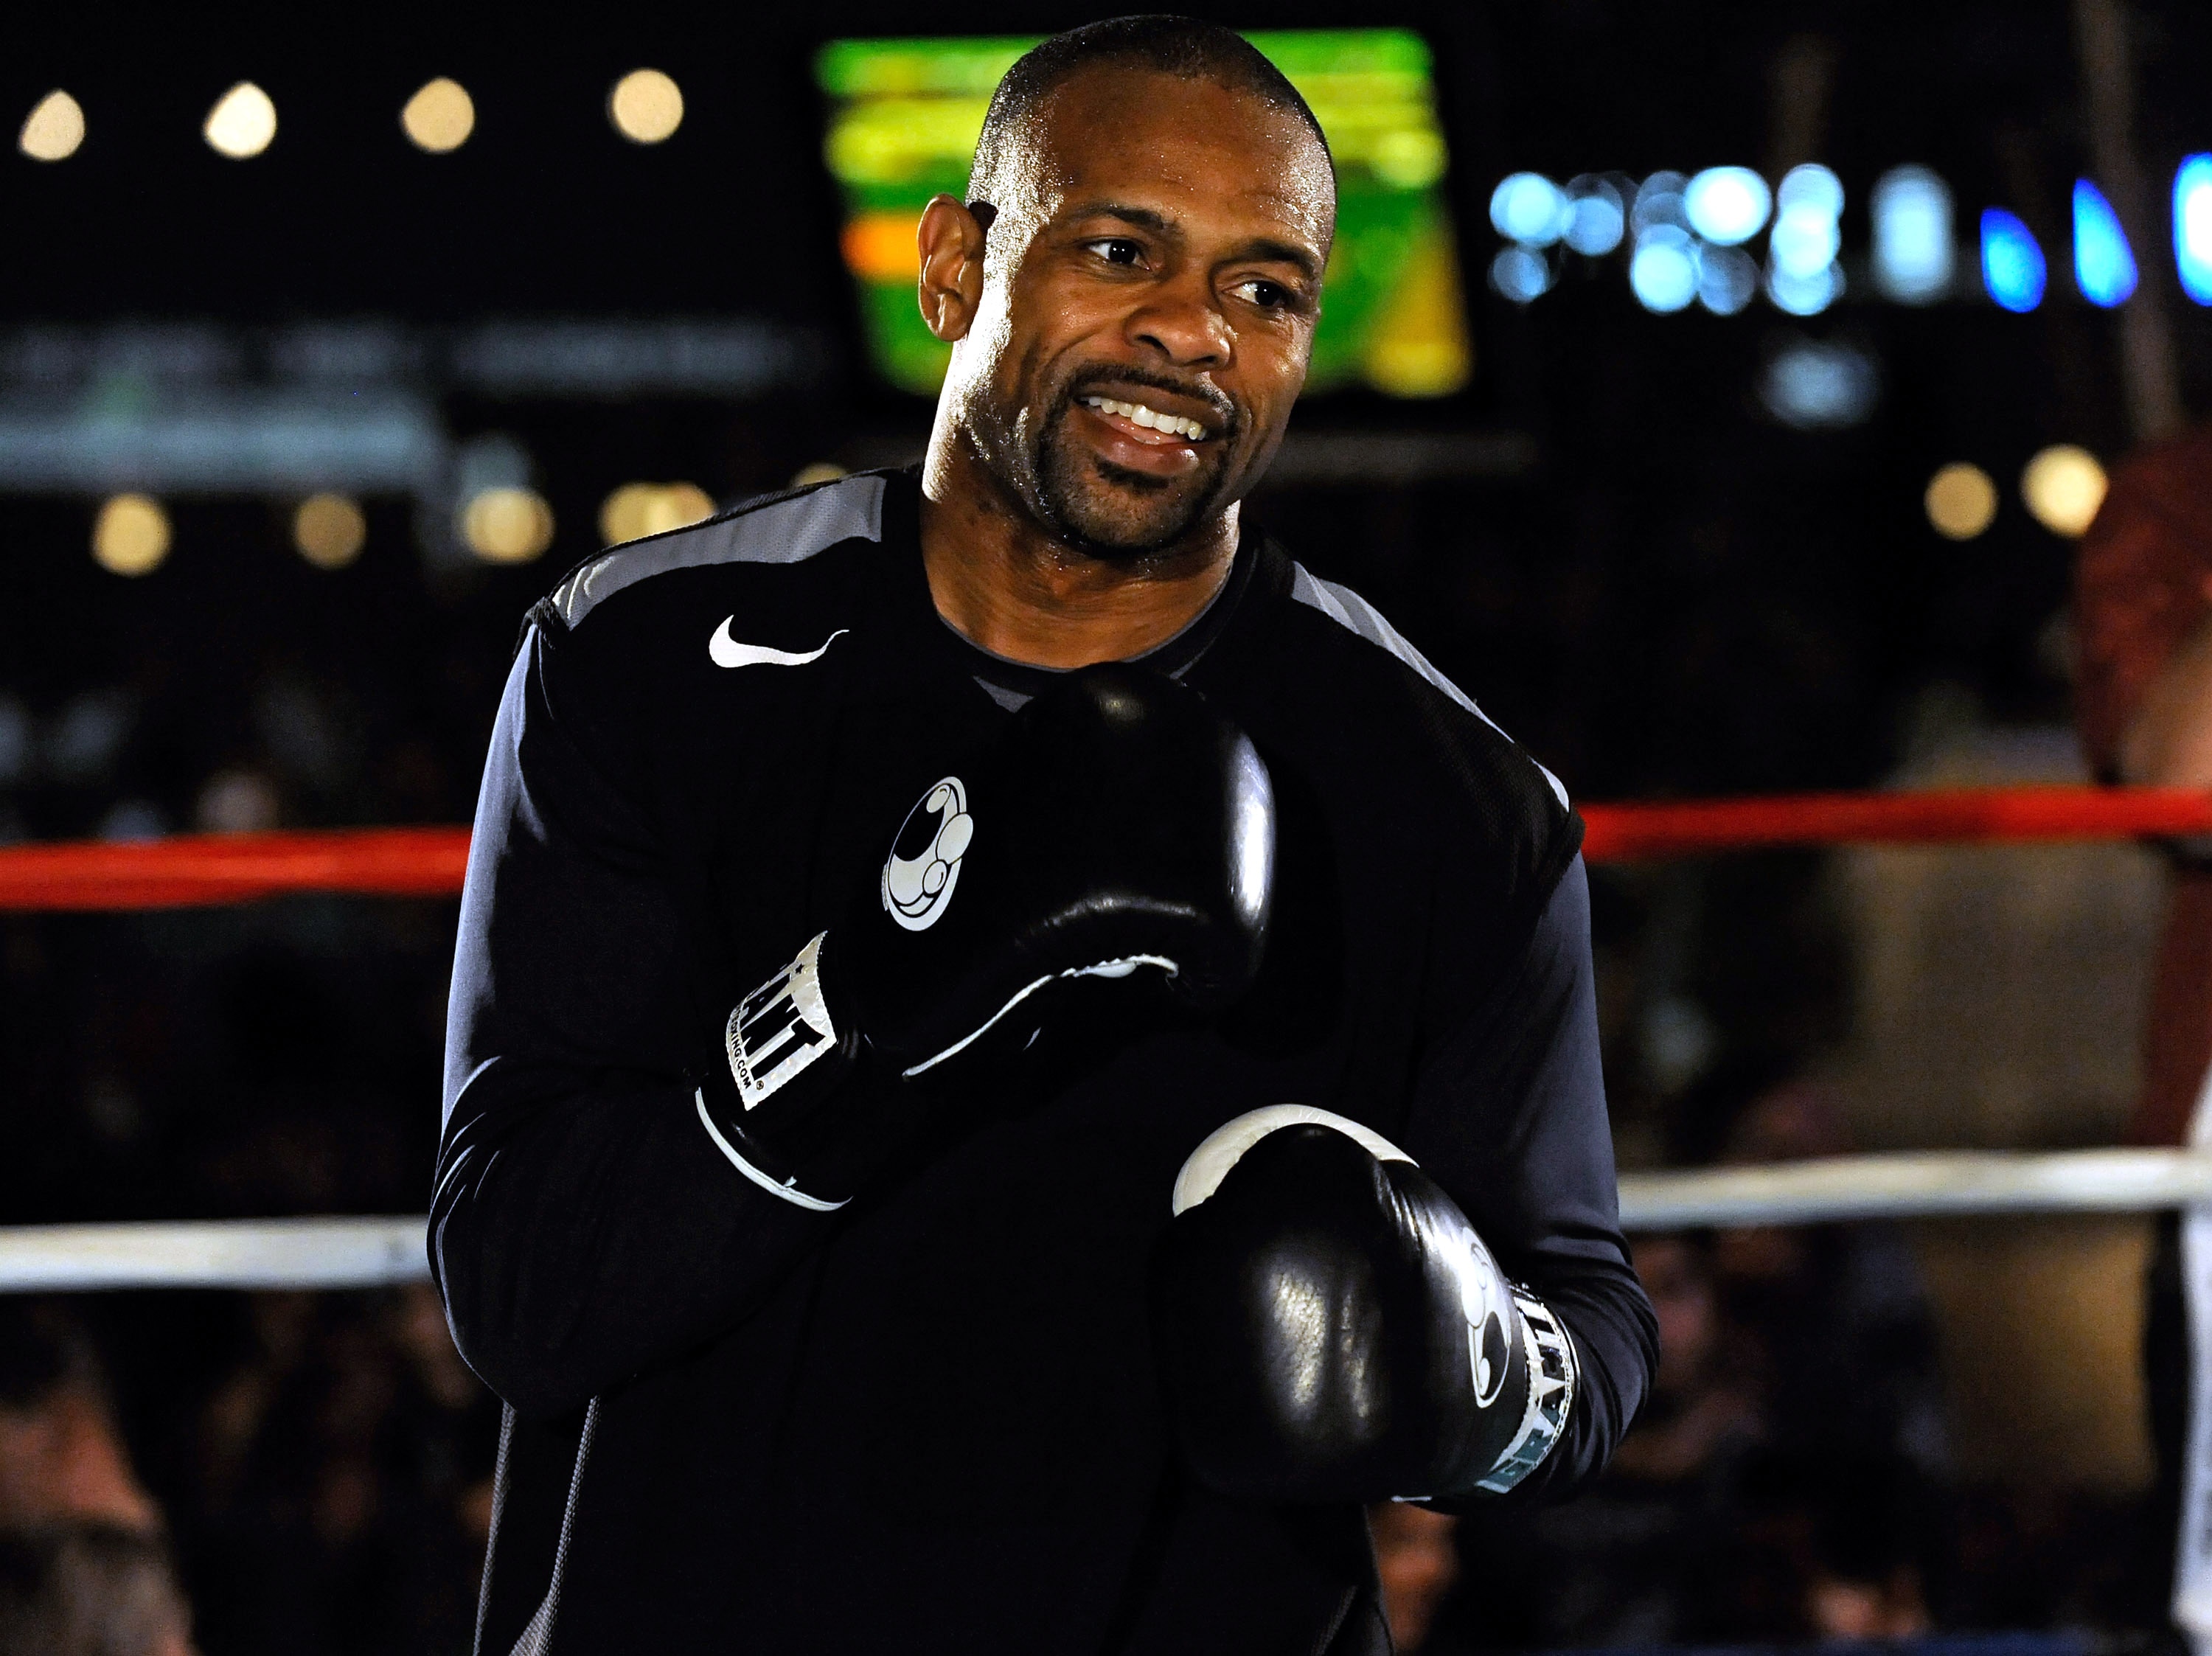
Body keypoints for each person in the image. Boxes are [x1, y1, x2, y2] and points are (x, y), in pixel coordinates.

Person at [434, 18, 1655, 1654]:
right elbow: (520, 1284)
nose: (1190, 334)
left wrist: (1468, 1369)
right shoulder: (654, 659)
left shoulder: (1446, 794)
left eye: (1265, 290)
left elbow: (1585, 1335)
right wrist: (863, 1005)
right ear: (954, 264)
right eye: (1120, 248)